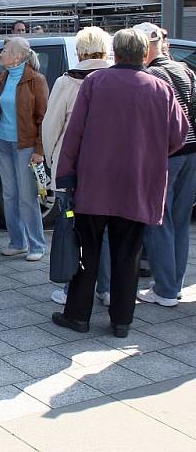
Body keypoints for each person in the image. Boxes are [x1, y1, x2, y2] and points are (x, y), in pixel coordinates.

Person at [53, 29, 188, 338]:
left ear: (115, 52)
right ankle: (121, 321)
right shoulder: (160, 88)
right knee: (128, 255)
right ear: (144, 53)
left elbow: (74, 134)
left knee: (88, 250)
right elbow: (178, 136)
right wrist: (149, 152)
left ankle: (77, 316)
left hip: (94, 182)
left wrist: (65, 175)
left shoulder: (95, 83)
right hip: (138, 182)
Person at [42, 27, 112, 306]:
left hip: (71, 169)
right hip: (108, 169)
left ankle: (73, 290)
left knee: (73, 229)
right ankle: (106, 289)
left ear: (80, 51)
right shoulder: (116, 79)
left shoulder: (67, 82)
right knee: (106, 230)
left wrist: (50, 160)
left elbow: (51, 127)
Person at [133, 22, 196, 307]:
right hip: (192, 152)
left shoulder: (150, 75)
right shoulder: (185, 70)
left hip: (167, 154)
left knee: (158, 221)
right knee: (180, 222)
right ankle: (175, 283)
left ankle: (166, 289)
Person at [0, 37, 49, 261]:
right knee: (9, 195)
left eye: (5, 51)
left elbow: (43, 118)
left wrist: (39, 150)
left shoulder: (36, 80)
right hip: (2, 142)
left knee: (27, 197)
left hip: (25, 146)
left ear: (18, 56)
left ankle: (36, 244)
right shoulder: (2, 78)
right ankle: (17, 241)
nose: (1, 54)